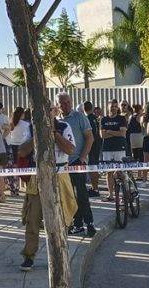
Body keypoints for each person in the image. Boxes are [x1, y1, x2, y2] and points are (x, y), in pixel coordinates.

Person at [19, 104, 76, 271]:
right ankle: (29, 256)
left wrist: (54, 134)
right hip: (38, 177)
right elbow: (22, 152)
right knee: (32, 218)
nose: (46, 111)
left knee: (62, 218)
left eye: (49, 108)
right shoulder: (30, 128)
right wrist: (38, 135)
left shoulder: (64, 126)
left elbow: (71, 149)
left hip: (60, 175)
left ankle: (60, 256)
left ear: (55, 111)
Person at [56, 92, 96, 237]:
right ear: (58, 105)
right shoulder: (55, 121)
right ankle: (77, 224)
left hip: (77, 161)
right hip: (62, 164)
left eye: (68, 102)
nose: (66, 105)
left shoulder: (79, 117)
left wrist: (83, 157)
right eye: (62, 103)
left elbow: (90, 137)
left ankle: (89, 223)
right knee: (69, 195)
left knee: (81, 193)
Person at [100, 99, 127, 202]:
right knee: (109, 172)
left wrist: (110, 131)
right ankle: (111, 195)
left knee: (120, 171)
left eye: (116, 106)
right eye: (112, 106)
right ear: (108, 107)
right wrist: (116, 132)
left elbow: (122, 134)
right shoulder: (104, 119)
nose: (114, 108)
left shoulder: (121, 118)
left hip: (119, 147)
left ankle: (124, 193)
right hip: (107, 148)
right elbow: (102, 135)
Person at [6, 107, 32, 195]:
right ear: (22, 114)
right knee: (23, 166)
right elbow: (28, 136)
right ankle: (26, 185)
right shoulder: (26, 124)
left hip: (12, 146)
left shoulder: (11, 123)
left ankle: (13, 188)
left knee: (13, 167)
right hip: (22, 147)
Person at [83, 101, 102, 197]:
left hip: (92, 146)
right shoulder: (95, 118)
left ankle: (95, 189)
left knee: (92, 167)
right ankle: (95, 187)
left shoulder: (87, 119)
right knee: (93, 167)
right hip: (97, 144)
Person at [128, 104, 145, 180]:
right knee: (140, 156)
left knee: (135, 156)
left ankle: (134, 174)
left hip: (132, 136)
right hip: (139, 136)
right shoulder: (139, 117)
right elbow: (142, 126)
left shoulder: (130, 116)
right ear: (139, 110)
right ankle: (139, 174)